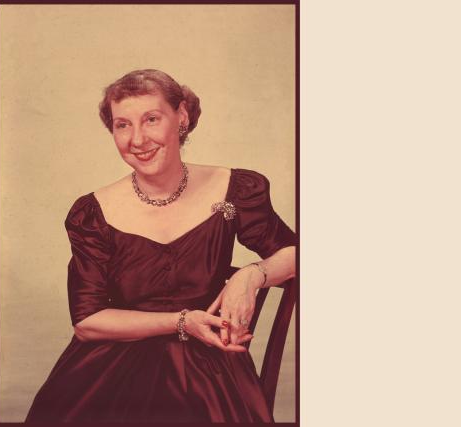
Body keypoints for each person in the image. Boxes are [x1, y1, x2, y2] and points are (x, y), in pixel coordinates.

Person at [24, 69, 296, 423]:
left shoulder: (234, 189)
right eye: (123, 125)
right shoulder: (92, 212)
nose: (137, 139)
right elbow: (88, 321)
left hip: (206, 369)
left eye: (151, 119)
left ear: (181, 117)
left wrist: (251, 275)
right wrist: (181, 321)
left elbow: (295, 253)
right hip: (109, 370)